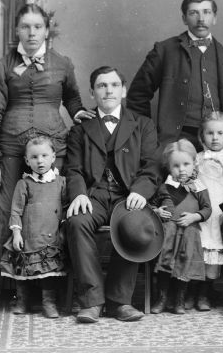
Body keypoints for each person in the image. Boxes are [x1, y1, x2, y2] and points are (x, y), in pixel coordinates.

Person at [0, 3, 91, 291]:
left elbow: (73, 99)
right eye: (25, 27)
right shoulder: (0, 66)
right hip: (11, 148)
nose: (31, 33)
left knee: (50, 212)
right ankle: (2, 286)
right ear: (16, 30)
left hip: (53, 150)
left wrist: (78, 113)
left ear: (47, 30)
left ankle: (51, 286)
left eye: (37, 26)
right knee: (5, 211)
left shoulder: (62, 63)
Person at [63, 66, 160, 324]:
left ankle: (120, 301)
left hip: (127, 195)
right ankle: (92, 301)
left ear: (123, 90)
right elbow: (72, 169)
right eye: (102, 86)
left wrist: (140, 191)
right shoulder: (80, 129)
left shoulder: (143, 125)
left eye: (114, 85)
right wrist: (79, 194)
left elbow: (151, 167)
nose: (108, 90)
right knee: (77, 221)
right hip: (93, 194)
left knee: (134, 224)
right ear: (92, 92)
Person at [126, 0, 223, 150]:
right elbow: (137, 94)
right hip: (177, 139)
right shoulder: (164, 51)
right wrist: (147, 133)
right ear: (184, 18)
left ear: (215, 18)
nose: (201, 19)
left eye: (206, 12)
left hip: (217, 141)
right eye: (194, 13)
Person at [0, 136, 67, 319]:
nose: (40, 161)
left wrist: (63, 231)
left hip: (51, 238)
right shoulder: (24, 184)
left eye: (44, 155)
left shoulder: (61, 182)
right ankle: (22, 301)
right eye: (34, 157)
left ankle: (49, 302)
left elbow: (66, 209)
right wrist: (17, 233)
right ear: (27, 160)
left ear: (53, 157)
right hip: (29, 236)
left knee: (49, 272)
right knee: (23, 268)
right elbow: (16, 210)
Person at [150, 139, 212, 315]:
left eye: (186, 164)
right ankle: (161, 299)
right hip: (168, 233)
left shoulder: (198, 187)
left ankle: (179, 301)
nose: (182, 169)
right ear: (169, 167)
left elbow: (207, 209)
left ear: (194, 163)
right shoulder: (164, 187)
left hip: (189, 234)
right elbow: (151, 205)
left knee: (183, 267)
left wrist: (194, 216)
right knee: (164, 267)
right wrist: (157, 211)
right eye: (176, 165)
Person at [193, 112, 223, 310]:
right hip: (200, 208)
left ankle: (205, 292)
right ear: (202, 136)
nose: (215, 137)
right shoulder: (197, 158)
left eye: (220, 133)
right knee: (198, 246)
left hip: (219, 208)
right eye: (210, 133)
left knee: (214, 247)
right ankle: (191, 291)